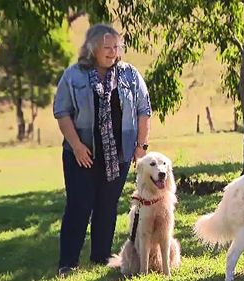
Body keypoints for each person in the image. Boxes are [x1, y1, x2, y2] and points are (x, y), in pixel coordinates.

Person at [53, 24, 152, 277]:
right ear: (92, 49)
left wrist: (140, 147)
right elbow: (62, 112)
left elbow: (144, 111)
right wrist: (76, 146)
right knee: (79, 206)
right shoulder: (74, 75)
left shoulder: (130, 74)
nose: (112, 52)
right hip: (81, 155)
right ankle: (68, 263)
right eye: (107, 47)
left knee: (107, 206)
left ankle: (100, 258)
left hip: (118, 156)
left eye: (116, 47)